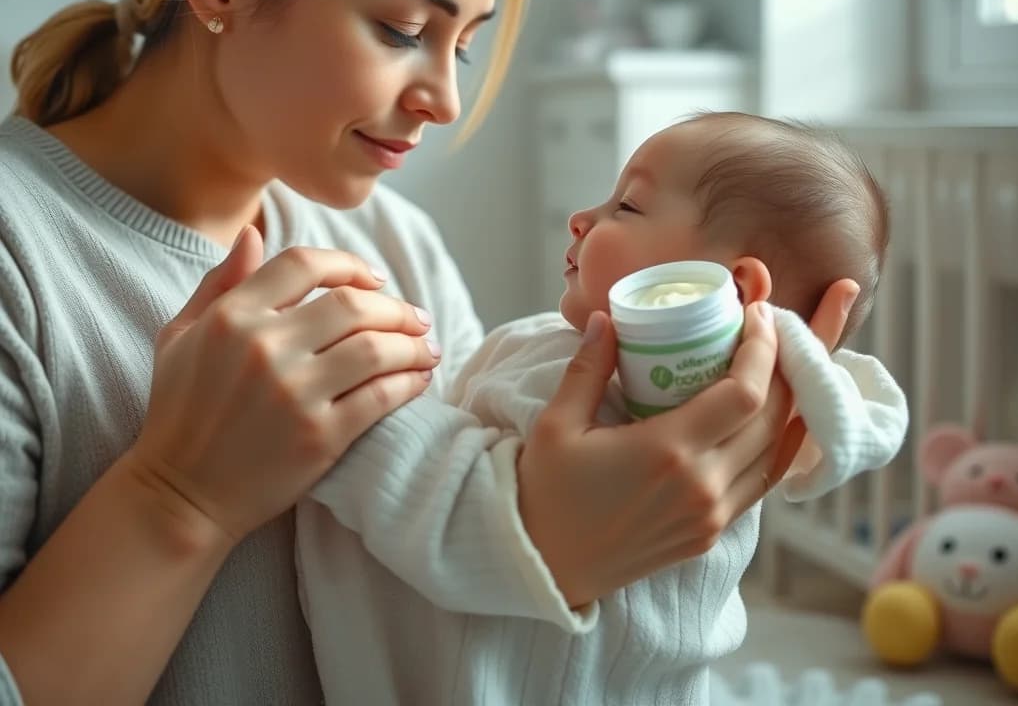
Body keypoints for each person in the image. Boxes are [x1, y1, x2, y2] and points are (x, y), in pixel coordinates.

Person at [0, 0, 857, 704]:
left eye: (465, 41)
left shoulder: (394, 245)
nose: (446, 99)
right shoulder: (19, 255)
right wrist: (179, 496)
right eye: (406, 29)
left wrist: (564, 543)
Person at [297, 112, 908, 705]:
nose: (582, 217)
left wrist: (340, 400)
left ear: (727, 286)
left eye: (628, 206)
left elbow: (445, 489)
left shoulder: (628, 411)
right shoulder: (564, 347)